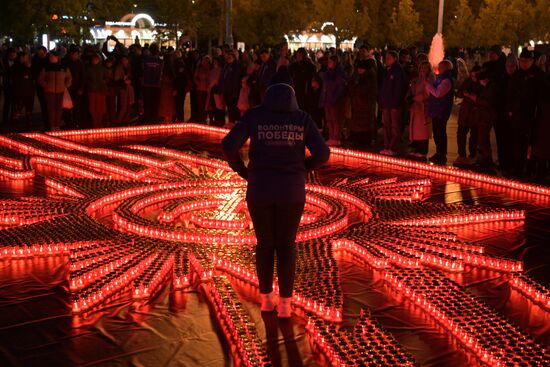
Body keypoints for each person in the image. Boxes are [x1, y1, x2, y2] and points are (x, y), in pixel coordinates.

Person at [222, 82, 330, 318]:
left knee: (265, 244)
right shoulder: (302, 119)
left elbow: (229, 144)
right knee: (286, 245)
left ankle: (266, 300)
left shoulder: (254, 116)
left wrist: (243, 170)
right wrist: (302, 169)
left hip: (260, 188)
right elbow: (323, 154)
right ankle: (285, 305)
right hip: (291, 191)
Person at [507, 49, 545, 177]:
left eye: (526, 61)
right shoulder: (517, 75)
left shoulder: (539, 76)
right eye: (521, 61)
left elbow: (541, 96)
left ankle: (531, 168)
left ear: (532, 61)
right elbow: (511, 94)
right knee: (517, 141)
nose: (523, 63)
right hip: (518, 115)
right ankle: (518, 167)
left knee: (532, 143)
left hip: (532, 115)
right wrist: (511, 110)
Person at [426, 60, 455, 165]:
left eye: (440, 67)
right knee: (437, 132)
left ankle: (442, 154)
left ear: (446, 68)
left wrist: (428, 86)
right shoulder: (441, 78)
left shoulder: (446, 80)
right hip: (437, 109)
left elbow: (438, 94)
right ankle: (439, 153)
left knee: (440, 132)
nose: (438, 69)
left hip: (441, 110)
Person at [379, 51, 408, 155]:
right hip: (387, 103)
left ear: (395, 58)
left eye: (389, 58)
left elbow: (399, 89)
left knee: (395, 127)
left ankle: (393, 147)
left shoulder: (398, 71)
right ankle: (387, 146)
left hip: (394, 104)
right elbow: (383, 88)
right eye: (386, 58)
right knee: (386, 126)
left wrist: (396, 102)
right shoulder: (387, 71)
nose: (386, 60)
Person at [494, 54, 517, 173]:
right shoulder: (502, 78)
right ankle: (503, 162)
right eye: (508, 65)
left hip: (512, 116)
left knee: (511, 141)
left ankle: (511, 163)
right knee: (501, 140)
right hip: (501, 115)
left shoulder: (518, 79)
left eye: (512, 66)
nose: (510, 68)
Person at [38, 51, 72, 132]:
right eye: (50, 57)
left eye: (53, 57)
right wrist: (45, 85)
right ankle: (52, 125)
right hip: (49, 91)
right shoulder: (46, 67)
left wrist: (66, 84)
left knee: (59, 109)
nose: (51, 58)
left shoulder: (63, 67)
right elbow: (40, 79)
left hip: (61, 90)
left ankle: (58, 125)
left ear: (57, 57)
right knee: (51, 109)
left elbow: (69, 77)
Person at [348, 59, 378, 148]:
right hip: (358, 103)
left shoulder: (369, 78)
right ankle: (358, 139)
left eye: (360, 69)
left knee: (365, 123)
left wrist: (355, 88)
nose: (358, 70)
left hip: (365, 104)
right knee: (358, 122)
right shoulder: (359, 76)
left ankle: (364, 140)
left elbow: (363, 90)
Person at [455, 66, 481, 165]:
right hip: (465, 112)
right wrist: (463, 94)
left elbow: (481, 98)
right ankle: (462, 155)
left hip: (475, 113)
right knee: (461, 133)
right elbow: (459, 93)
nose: (473, 77)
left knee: (474, 136)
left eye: (475, 76)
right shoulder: (467, 81)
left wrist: (470, 96)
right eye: (472, 75)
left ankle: (472, 155)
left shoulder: (481, 83)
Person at [408, 61, 433, 159]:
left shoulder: (429, 80)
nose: (422, 70)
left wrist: (415, 98)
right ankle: (417, 148)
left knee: (423, 130)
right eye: (421, 67)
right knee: (415, 129)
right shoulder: (416, 79)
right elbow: (412, 90)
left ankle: (423, 150)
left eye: (425, 68)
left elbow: (427, 94)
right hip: (415, 107)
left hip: (423, 108)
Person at [319, 55, 346, 146]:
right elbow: (325, 87)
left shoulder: (339, 74)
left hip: (335, 100)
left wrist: (335, 98)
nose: (329, 63)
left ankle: (336, 137)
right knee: (329, 120)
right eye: (328, 62)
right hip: (328, 99)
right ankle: (331, 137)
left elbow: (340, 88)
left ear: (335, 63)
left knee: (336, 120)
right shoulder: (327, 73)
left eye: (331, 62)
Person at [63, 46, 85, 129]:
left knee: (77, 107)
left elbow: (83, 77)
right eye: (73, 54)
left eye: (76, 54)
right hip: (68, 88)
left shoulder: (80, 63)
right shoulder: (66, 63)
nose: (74, 55)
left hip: (77, 88)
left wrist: (81, 88)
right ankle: (67, 122)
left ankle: (76, 122)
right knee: (67, 106)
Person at [11, 51, 35, 130]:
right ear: (21, 58)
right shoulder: (17, 67)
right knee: (19, 110)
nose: (27, 59)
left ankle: (28, 124)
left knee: (28, 110)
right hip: (21, 92)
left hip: (27, 92)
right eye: (26, 57)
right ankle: (16, 125)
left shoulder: (27, 66)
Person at [218, 50, 242, 127]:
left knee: (233, 108)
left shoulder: (236, 66)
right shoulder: (226, 66)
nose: (229, 58)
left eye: (230, 57)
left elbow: (236, 79)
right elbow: (222, 78)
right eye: (228, 57)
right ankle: (231, 121)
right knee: (229, 107)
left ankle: (235, 122)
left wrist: (235, 91)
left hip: (232, 91)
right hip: (226, 90)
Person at [141, 43, 163, 123]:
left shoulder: (145, 60)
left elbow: (142, 71)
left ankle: (147, 121)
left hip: (146, 85)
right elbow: (161, 73)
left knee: (147, 105)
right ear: (157, 51)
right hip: (156, 85)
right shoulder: (160, 62)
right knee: (155, 105)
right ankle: (154, 121)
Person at [85, 53, 107, 128]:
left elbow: (106, 78)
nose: (94, 60)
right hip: (92, 90)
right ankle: (95, 122)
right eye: (93, 59)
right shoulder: (89, 69)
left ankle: (100, 121)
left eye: (96, 59)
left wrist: (104, 83)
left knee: (100, 107)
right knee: (93, 107)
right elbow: (86, 79)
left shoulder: (102, 69)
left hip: (100, 90)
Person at [31, 46, 49, 126]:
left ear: (45, 52)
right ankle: (45, 120)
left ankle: (49, 120)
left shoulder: (49, 59)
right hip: (39, 85)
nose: (40, 55)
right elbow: (33, 71)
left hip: (48, 85)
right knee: (42, 103)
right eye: (39, 54)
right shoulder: (35, 59)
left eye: (41, 53)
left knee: (48, 103)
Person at [194, 56, 211, 123]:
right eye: (204, 61)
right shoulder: (199, 68)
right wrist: (197, 82)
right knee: (201, 104)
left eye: (207, 61)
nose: (205, 62)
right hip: (200, 88)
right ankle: (202, 118)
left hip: (207, 89)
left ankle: (206, 118)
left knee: (207, 105)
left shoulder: (209, 68)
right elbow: (195, 77)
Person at [2, 47, 17, 125]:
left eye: (14, 54)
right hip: (7, 85)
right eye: (11, 54)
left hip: (15, 85)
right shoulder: (3, 62)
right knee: (7, 102)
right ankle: (5, 119)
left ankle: (13, 119)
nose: (12, 56)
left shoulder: (17, 62)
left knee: (14, 103)